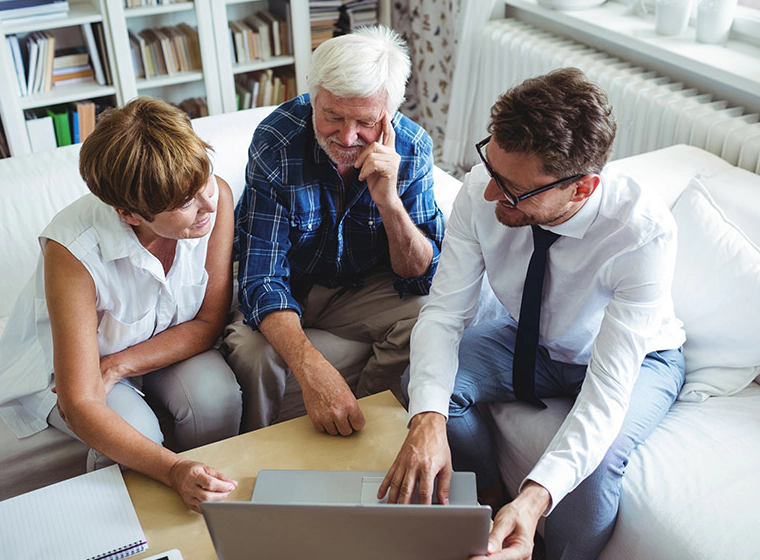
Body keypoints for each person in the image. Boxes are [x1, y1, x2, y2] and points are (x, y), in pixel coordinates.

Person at [379, 68, 686, 559]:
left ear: (582, 188)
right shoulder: (485, 187)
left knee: (594, 468)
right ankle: (485, 505)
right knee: (427, 390)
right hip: (532, 340)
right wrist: (429, 420)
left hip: (637, 359)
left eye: (515, 189)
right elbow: (443, 313)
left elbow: (606, 392)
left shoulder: (642, 233)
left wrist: (536, 494)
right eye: (492, 168)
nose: (488, 194)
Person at [0, 97, 243, 513]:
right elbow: (79, 402)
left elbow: (207, 321)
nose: (208, 205)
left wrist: (120, 365)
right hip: (67, 370)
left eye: (205, 179)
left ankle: (215, 508)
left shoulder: (212, 197)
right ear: (130, 214)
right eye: (184, 204)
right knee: (138, 432)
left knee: (217, 397)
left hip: (156, 345)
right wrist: (173, 470)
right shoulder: (73, 250)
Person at [223, 25, 444, 436]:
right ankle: (253, 450)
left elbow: (422, 275)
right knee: (254, 354)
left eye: (365, 122)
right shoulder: (276, 142)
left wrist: (390, 204)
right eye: (332, 116)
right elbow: (262, 277)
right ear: (314, 98)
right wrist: (313, 370)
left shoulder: (413, 148)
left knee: (427, 313)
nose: (347, 137)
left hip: (359, 290)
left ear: (390, 114)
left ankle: (366, 426)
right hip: (290, 284)